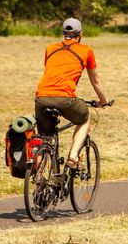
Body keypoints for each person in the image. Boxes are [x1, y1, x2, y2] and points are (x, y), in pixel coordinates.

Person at [35, 17, 109, 170]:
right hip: (65, 97)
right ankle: (73, 158)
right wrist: (104, 101)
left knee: (44, 138)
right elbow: (95, 80)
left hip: (41, 98)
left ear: (64, 33)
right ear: (80, 34)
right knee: (84, 118)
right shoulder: (86, 50)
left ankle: (38, 174)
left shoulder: (50, 48)